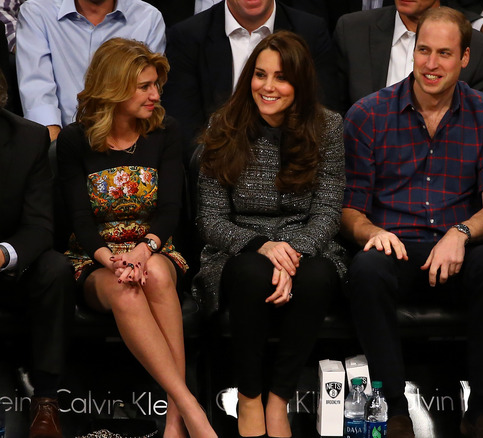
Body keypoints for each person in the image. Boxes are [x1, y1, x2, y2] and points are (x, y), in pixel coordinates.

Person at [341, 7, 483, 438]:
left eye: (444, 53)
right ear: (413, 52)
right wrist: (375, 233)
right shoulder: (368, 114)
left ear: (465, 59)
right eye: (423, 51)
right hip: (394, 248)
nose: (431, 64)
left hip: (459, 249)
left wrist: (461, 233)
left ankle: (479, 411)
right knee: (365, 268)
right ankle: (395, 408)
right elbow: (350, 214)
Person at [56, 38, 216, 438]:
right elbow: (79, 219)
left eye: (156, 84)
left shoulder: (165, 131)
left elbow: (169, 211)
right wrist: (113, 260)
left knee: (158, 276)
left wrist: (144, 251)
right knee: (125, 291)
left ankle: (175, 422)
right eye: (144, 85)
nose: (155, 94)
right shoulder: (76, 140)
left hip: (156, 246)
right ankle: (191, 408)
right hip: (95, 258)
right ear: (114, 86)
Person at [194, 30, 346, 438]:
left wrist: (291, 253)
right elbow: (210, 218)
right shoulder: (222, 125)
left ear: (299, 82)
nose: (268, 87)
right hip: (238, 245)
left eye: (280, 77)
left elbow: (329, 211)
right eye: (260, 75)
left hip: (306, 244)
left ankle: (279, 398)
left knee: (316, 278)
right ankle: (249, 397)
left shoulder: (328, 127)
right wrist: (263, 246)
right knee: (249, 274)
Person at [0, 69, 74, 438]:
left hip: (10, 267)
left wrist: (1, 255)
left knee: (55, 268)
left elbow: (40, 225)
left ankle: (46, 401)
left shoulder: (29, 137)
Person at [165, 0, 338, 156]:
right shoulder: (187, 36)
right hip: (215, 168)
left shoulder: (311, 31)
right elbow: (185, 129)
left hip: (293, 167)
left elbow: (320, 114)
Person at [16, 0, 165, 141]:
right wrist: (55, 152)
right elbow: (38, 91)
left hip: (126, 143)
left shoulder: (148, 18)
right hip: (60, 144)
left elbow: (147, 90)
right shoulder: (37, 12)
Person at [333, 0, 483, 113]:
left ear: (465, 57)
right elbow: (334, 116)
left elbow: (478, 125)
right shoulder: (352, 31)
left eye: (443, 53)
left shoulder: (477, 47)